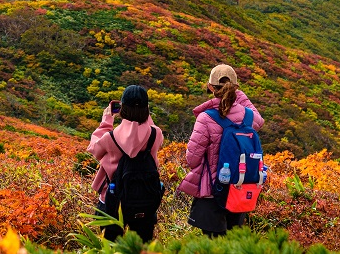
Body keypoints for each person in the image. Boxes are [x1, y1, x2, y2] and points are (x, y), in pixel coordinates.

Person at [179, 64, 264, 237]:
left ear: (210, 87)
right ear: (236, 88)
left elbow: (192, 159)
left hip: (212, 193)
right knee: (232, 244)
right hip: (239, 190)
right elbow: (259, 120)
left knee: (212, 244)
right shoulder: (248, 117)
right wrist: (237, 94)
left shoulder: (205, 118)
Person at [88, 85, 165, 242]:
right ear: (147, 109)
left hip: (113, 199)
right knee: (142, 246)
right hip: (145, 199)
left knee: (111, 245)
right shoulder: (155, 134)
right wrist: (144, 115)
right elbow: (150, 128)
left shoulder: (110, 137)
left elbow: (94, 148)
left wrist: (107, 120)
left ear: (122, 108)